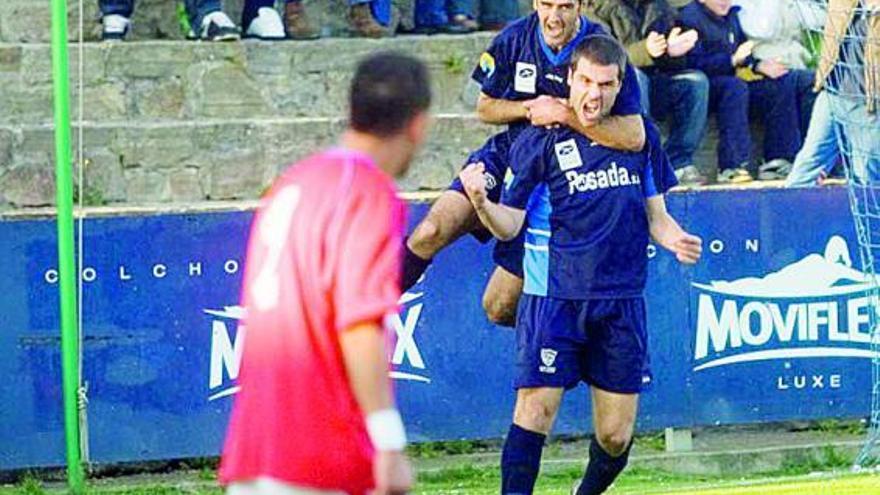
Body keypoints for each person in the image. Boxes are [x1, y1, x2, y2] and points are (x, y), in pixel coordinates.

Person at [458, 35, 702, 494]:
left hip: (620, 302)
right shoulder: (539, 141)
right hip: (555, 299)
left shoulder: (638, 138)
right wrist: (481, 202)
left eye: (605, 84)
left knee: (615, 436)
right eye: (586, 81)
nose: (594, 93)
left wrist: (676, 240)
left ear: (619, 86)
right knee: (535, 410)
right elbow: (510, 226)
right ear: (570, 79)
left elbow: (658, 217)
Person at [219, 52, 432, 495]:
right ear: (418, 125)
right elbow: (358, 323)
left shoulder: (295, 183)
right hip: (321, 452)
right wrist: (389, 442)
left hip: (255, 449)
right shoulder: (366, 192)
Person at [403, 0, 646, 327]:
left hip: (560, 179)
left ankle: (566, 346)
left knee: (499, 307)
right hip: (509, 156)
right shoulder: (514, 38)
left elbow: (634, 135)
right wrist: (529, 108)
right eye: (546, 5)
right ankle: (363, 320)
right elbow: (485, 108)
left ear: (582, 6)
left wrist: (565, 114)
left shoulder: (601, 48)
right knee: (429, 232)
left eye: (565, 7)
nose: (554, 17)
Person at [679, 0, 816, 183]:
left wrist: (758, 65)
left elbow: (744, 54)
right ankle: (732, 166)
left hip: (734, 82)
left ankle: (778, 160)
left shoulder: (731, 17)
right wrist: (731, 61)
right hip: (705, 88)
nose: (724, 1)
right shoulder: (690, 17)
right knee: (735, 88)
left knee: (781, 83)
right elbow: (692, 64)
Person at [585, 0, 710, 186]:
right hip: (614, 91)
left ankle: (679, 161)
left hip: (656, 82)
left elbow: (670, 61)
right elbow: (602, 57)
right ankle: (643, 160)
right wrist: (645, 50)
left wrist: (671, 51)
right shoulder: (595, 8)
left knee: (695, 82)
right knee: (635, 76)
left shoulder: (659, 7)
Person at [786, 0, 879, 187]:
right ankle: (791, 215)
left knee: (867, 179)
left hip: (869, 104)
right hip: (832, 94)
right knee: (804, 172)